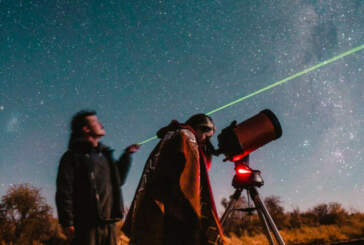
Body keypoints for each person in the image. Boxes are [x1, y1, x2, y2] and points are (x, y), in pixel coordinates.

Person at [122, 114, 225, 245]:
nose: (205, 139)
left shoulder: (175, 135)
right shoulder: (185, 137)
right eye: (206, 135)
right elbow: (182, 176)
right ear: (199, 128)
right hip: (174, 208)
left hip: (163, 204)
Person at [55, 110, 139, 245]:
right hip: (86, 227)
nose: (101, 124)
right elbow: (64, 191)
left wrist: (126, 156)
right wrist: (67, 222)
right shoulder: (72, 157)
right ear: (86, 129)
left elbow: (118, 181)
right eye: (96, 122)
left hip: (109, 224)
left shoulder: (105, 156)